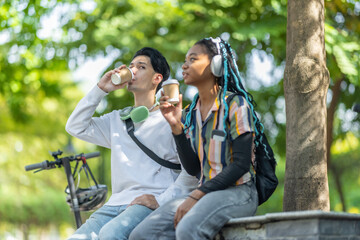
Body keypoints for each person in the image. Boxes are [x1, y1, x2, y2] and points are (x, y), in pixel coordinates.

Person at [129, 37, 259, 240]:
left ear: (215, 64)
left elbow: (241, 164)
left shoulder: (236, 105)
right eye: (185, 60)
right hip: (205, 193)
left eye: (193, 59)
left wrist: (196, 195)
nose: (184, 65)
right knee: (141, 234)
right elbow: (193, 168)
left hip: (239, 192)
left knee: (187, 228)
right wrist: (176, 127)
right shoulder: (192, 113)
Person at [65, 47, 198, 240]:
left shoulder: (172, 120)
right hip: (114, 205)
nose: (133, 71)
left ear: (157, 78)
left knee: (110, 234)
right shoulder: (116, 120)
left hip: (148, 204)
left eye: (141, 67)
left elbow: (191, 172)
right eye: (131, 66)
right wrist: (100, 89)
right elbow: (75, 126)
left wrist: (161, 200)